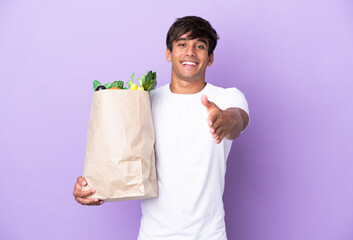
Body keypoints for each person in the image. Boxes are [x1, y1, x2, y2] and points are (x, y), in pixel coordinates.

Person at [73, 16, 249, 239]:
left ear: (210, 57)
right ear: (169, 53)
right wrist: (93, 186)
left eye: (200, 46)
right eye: (182, 44)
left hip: (209, 235)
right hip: (154, 234)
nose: (191, 52)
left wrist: (226, 120)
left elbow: (238, 120)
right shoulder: (143, 103)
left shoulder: (227, 98)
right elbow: (121, 158)